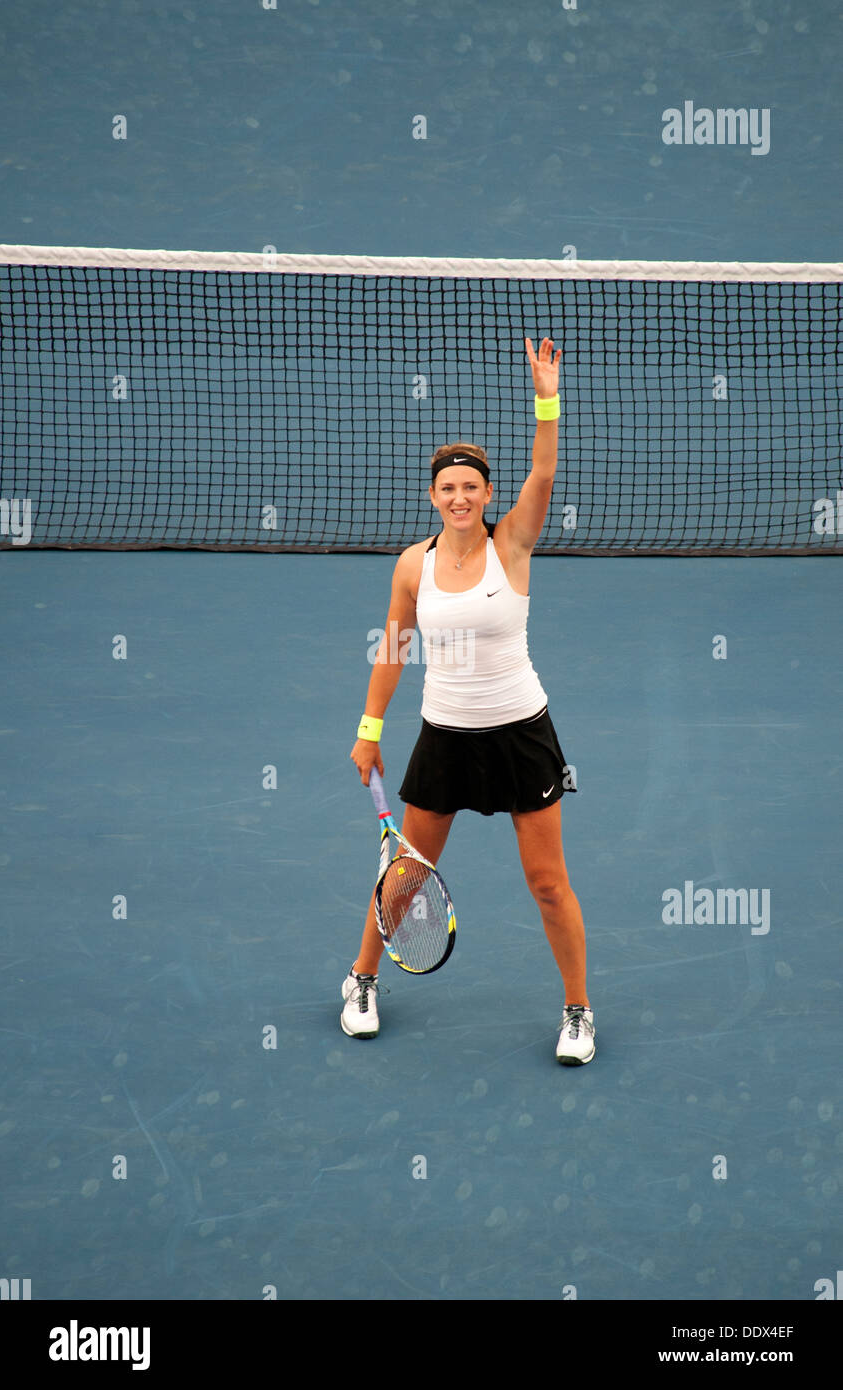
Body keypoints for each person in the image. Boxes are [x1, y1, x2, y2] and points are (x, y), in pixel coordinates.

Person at [343, 336, 594, 1065]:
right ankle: (361, 980)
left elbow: (544, 472)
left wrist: (546, 395)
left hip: (521, 734)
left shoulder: (512, 543)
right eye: (447, 488)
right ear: (433, 496)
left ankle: (578, 1010)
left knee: (549, 885)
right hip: (444, 737)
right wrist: (368, 731)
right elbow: (391, 650)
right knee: (405, 874)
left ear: (488, 495)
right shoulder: (411, 566)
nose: (460, 497)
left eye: (471, 488)